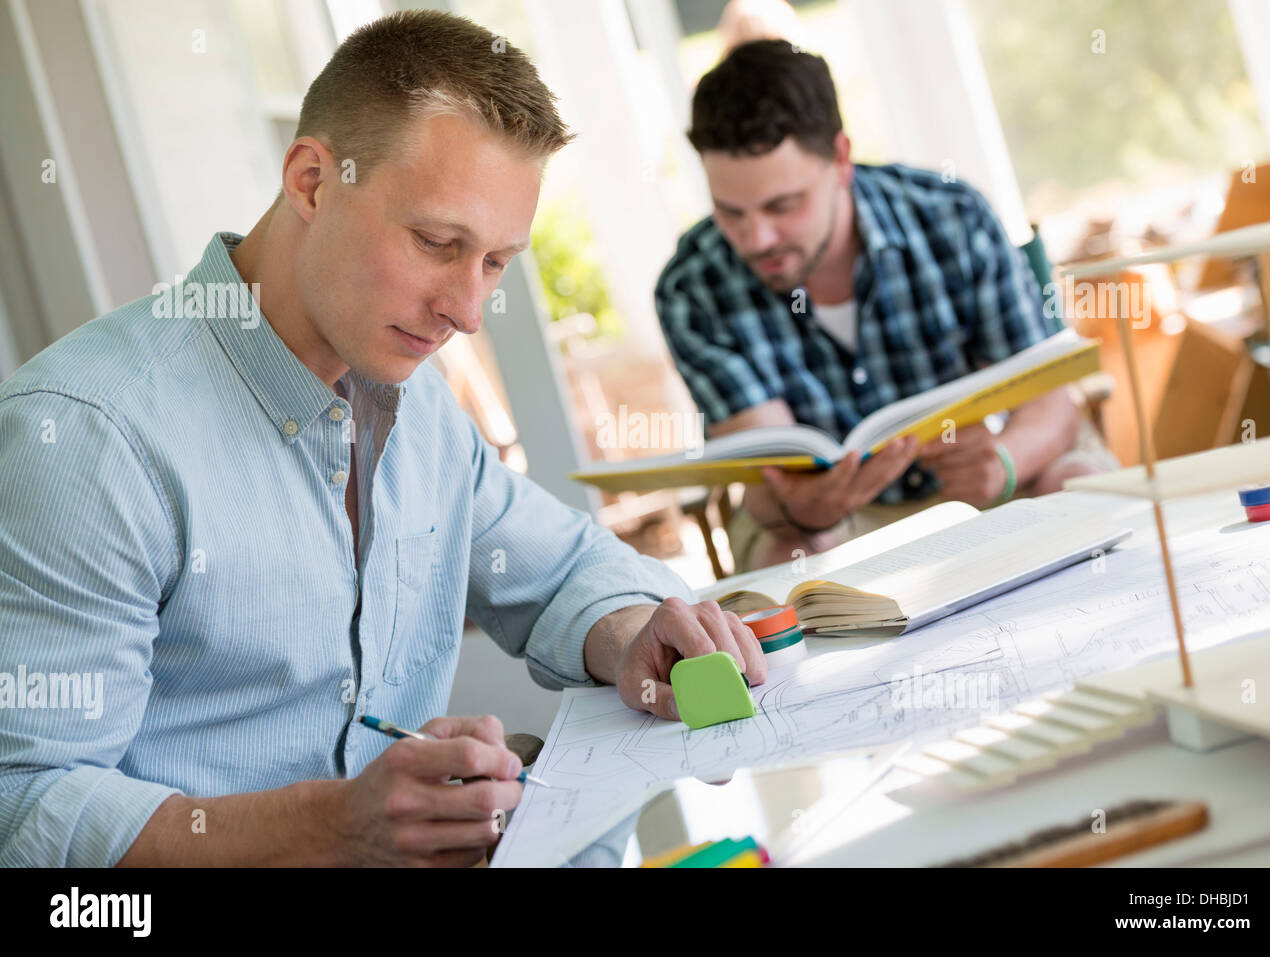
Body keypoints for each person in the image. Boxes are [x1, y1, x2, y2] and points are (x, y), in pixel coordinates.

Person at [0, 10, 764, 868]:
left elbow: (560, 572)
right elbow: (26, 809)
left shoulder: (412, 400)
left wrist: (631, 637)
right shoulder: (86, 440)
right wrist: (329, 827)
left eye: (495, 262)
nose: (468, 311)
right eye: (439, 243)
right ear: (312, 181)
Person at [656, 40, 1115, 572]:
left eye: (783, 205)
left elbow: (1050, 404)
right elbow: (768, 483)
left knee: (1079, 482)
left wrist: (1004, 465)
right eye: (729, 211)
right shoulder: (692, 289)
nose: (757, 238)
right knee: (787, 555)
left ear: (841, 159)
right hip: (841, 520)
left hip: (991, 468)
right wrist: (804, 508)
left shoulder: (951, 216)